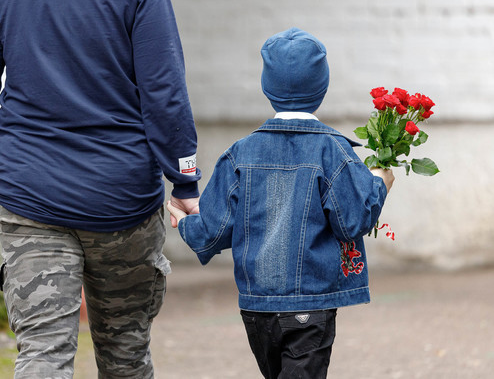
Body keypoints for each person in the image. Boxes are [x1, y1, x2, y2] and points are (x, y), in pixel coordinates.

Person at [0, 0, 200, 377]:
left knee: (41, 352)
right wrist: (184, 178)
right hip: (120, 198)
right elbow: (164, 91)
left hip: (28, 192)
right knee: (126, 353)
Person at [167, 27, 395, 378]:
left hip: (256, 306)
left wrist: (185, 221)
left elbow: (211, 233)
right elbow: (353, 221)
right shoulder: (333, 151)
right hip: (311, 306)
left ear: (266, 87)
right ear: (322, 87)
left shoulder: (240, 153)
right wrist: (379, 184)